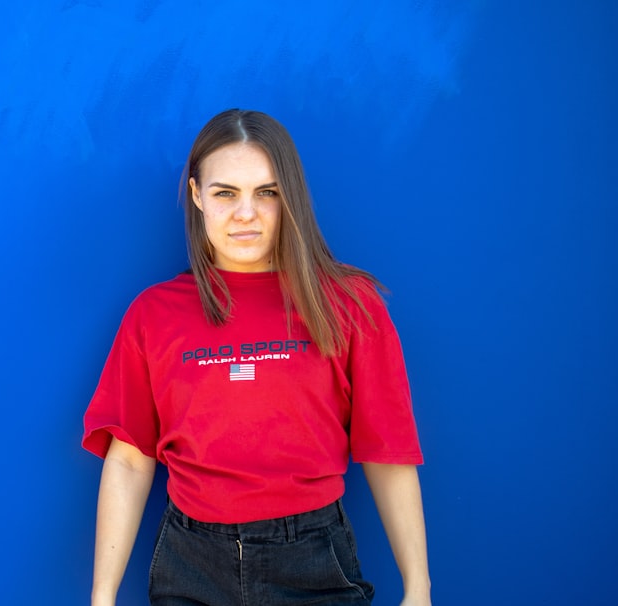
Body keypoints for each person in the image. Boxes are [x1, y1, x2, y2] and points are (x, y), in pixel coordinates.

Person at [82, 109, 430, 606]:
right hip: (189, 561)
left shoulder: (349, 304)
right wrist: (102, 596)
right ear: (198, 195)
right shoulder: (152, 313)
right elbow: (130, 461)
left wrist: (419, 588)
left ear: (290, 196)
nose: (245, 213)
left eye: (266, 192)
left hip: (313, 560)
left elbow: (388, 451)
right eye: (226, 193)